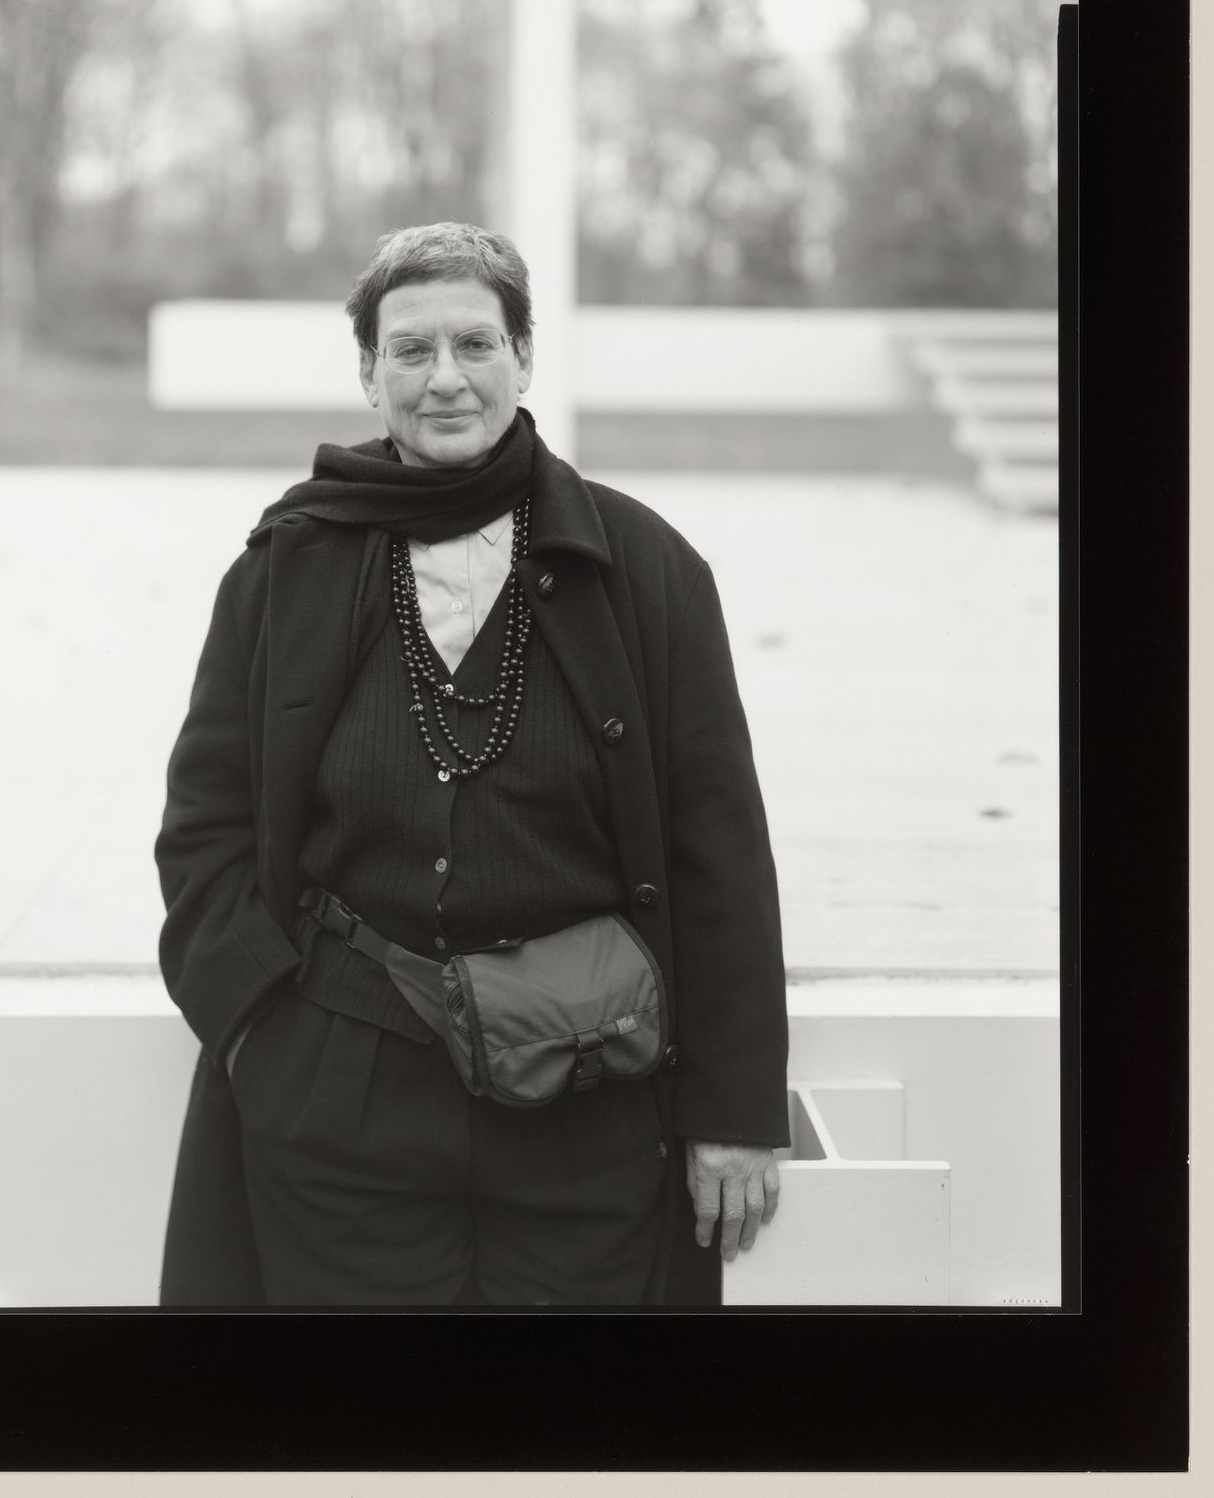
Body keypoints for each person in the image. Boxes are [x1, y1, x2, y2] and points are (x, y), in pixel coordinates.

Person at [156, 222, 789, 1307]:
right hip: (338, 1103)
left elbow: (717, 851)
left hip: (589, 1104)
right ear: (367, 374)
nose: (444, 378)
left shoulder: (647, 569)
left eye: (474, 344)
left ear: (523, 358)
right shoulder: (283, 569)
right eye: (409, 351)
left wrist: (730, 1111)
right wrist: (262, 1026)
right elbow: (203, 823)